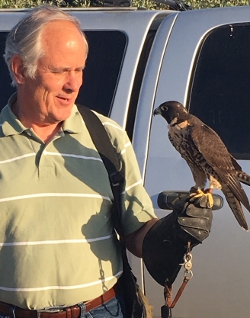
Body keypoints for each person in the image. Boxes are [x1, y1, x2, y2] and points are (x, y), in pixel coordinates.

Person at [0, 5, 213, 318]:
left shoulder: (107, 137)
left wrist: (172, 232)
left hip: (101, 311)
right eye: (60, 71)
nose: (74, 84)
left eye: (80, 70)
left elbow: (137, 232)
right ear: (20, 69)